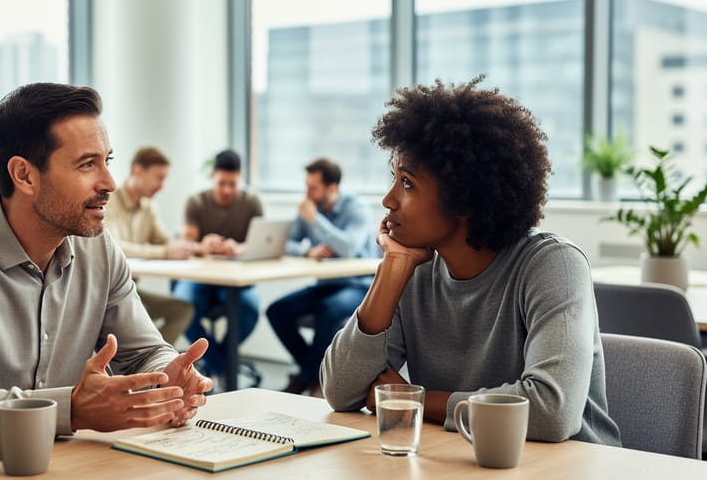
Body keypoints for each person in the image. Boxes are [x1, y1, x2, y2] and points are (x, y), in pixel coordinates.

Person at [0, 83, 212, 452]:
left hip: (55, 467)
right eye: (87, 164)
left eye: (107, 161)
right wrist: (69, 410)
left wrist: (169, 374)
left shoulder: (99, 249)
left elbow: (145, 353)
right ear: (24, 175)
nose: (110, 183)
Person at [320, 76, 621, 445]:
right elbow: (342, 391)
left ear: (463, 198)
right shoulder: (415, 272)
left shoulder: (553, 264)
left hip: (573, 468)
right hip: (466, 460)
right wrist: (391, 270)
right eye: (394, 179)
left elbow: (550, 413)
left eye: (407, 183)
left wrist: (417, 400)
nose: (388, 200)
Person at [266, 158, 376, 397]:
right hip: (325, 284)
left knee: (329, 310)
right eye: (307, 186)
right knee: (277, 310)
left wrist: (315, 220)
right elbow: (285, 243)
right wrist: (307, 250)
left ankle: (305, 379)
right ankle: (314, 375)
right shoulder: (310, 207)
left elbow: (348, 248)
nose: (308, 193)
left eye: (313, 188)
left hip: (357, 285)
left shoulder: (356, 209)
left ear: (332, 188)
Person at [172, 149, 263, 379]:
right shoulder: (196, 202)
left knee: (250, 309)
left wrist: (239, 248)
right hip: (199, 278)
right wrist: (203, 245)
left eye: (233, 184)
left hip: (236, 280)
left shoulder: (251, 203)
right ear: (213, 176)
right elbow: (187, 242)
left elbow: (260, 243)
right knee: (182, 307)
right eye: (222, 183)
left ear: (240, 178)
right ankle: (223, 368)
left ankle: (217, 363)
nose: (227, 190)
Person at [105, 146, 198, 345]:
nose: (162, 186)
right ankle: (147, 359)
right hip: (109, 293)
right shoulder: (109, 201)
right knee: (141, 316)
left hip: (131, 290)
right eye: (159, 177)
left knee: (182, 310)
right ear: (138, 171)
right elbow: (117, 247)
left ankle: (155, 360)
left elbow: (165, 241)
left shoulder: (148, 206)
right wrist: (165, 252)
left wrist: (193, 248)